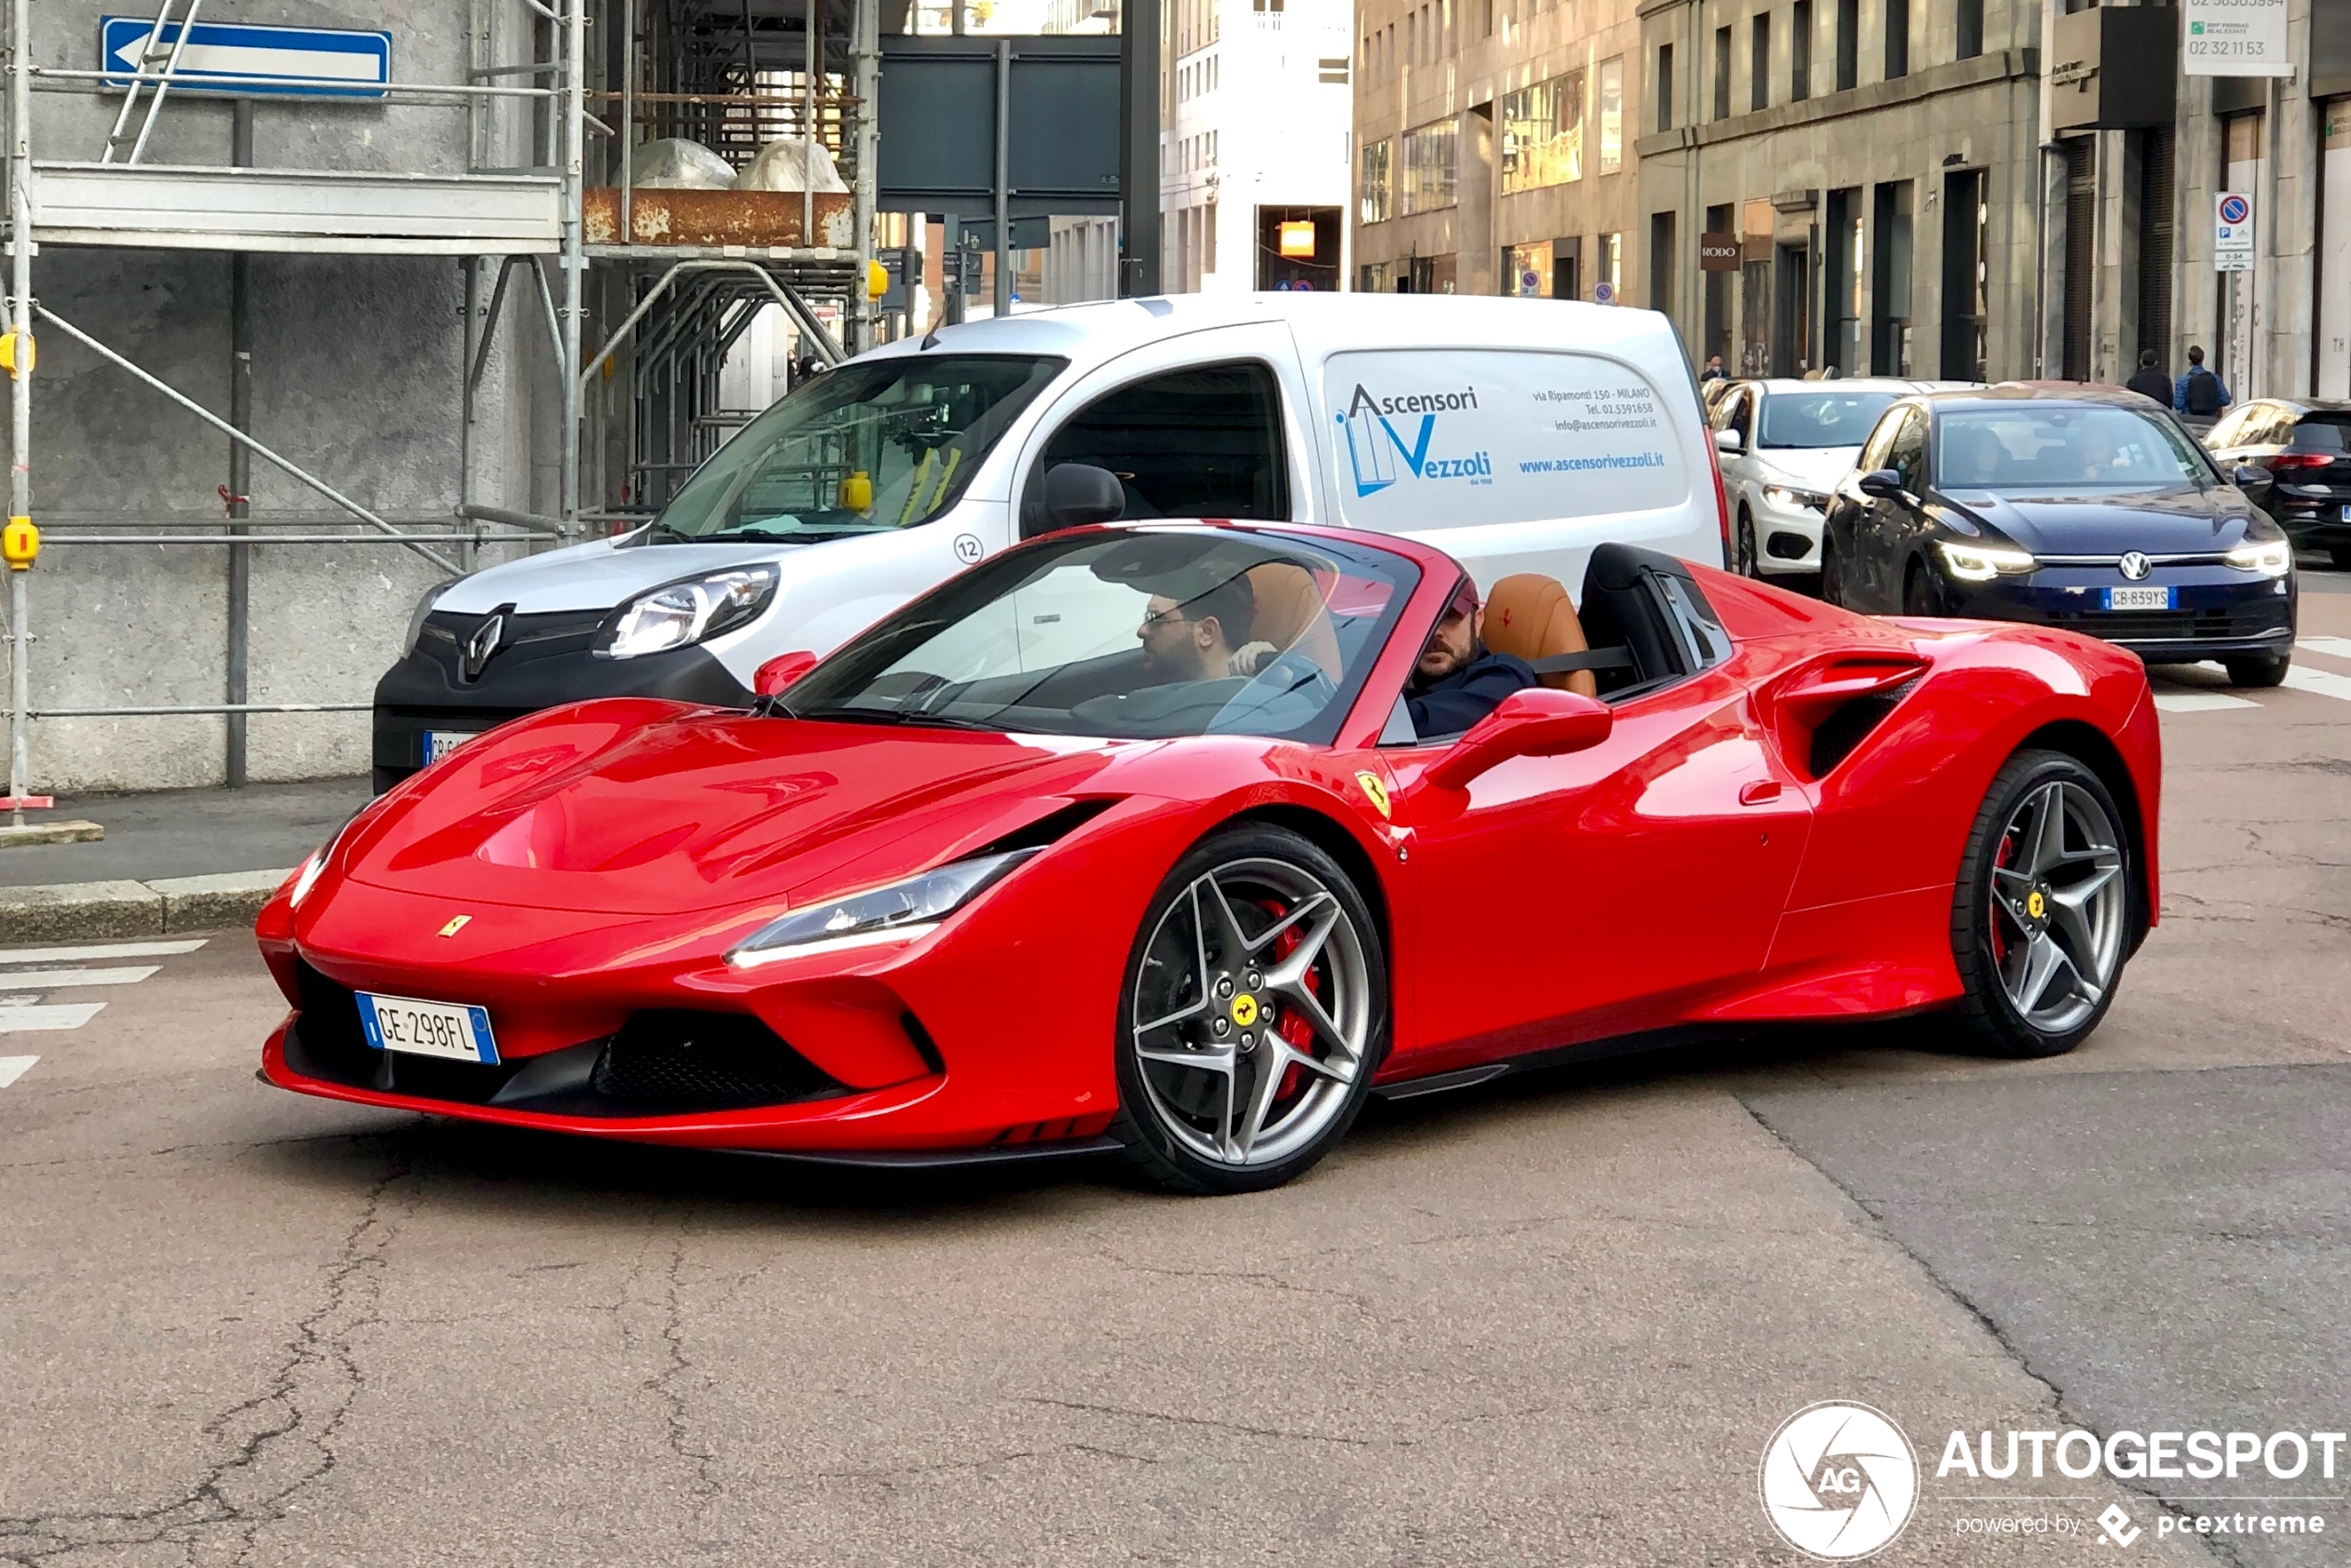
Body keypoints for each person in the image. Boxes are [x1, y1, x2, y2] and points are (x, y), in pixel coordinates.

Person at [1403, 579, 1536, 735]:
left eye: (1450, 617)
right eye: (1422, 619)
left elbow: (1428, 720)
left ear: (1477, 623)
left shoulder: (1504, 677)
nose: (1435, 631)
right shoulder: (1390, 679)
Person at [1135, 574, 1253, 686]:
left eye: (1156, 618)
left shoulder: (1254, 701)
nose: (1141, 631)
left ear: (1207, 632)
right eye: (1148, 617)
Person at [2173, 346, 2231, 417]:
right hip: (2211, 420)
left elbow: (2178, 404)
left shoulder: (2182, 380)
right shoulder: (2215, 378)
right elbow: (2226, 400)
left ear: (2190, 361)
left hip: (2190, 420)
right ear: (2202, 360)